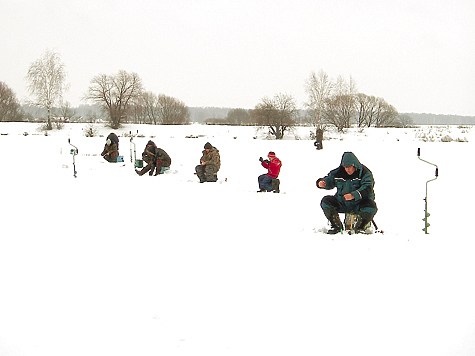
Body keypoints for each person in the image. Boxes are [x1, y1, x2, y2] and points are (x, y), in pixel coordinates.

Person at [316, 152, 377, 234]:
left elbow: (367, 188)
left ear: (354, 165)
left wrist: (353, 195)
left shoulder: (364, 173)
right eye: (345, 167)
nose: (347, 170)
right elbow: (329, 179)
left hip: (359, 204)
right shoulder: (338, 172)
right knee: (326, 201)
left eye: (349, 167)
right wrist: (322, 183)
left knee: (371, 206)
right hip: (342, 202)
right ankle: (336, 226)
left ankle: (361, 227)